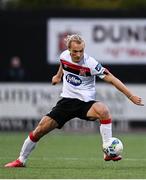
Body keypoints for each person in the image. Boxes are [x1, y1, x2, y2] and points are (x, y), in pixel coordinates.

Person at [5, 34, 144, 167]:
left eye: (81, 51)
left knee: (103, 110)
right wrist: (58, 76)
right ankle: (20, 160)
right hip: (66, 102)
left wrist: (130, 96)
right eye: (75, 51)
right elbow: (63, 64)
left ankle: (108, 150)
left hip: (85, 104)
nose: (78, 54)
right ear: (69, 50)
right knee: (40, 130)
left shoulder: (91, 64)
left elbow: (112, 79)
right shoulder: (64, 56)